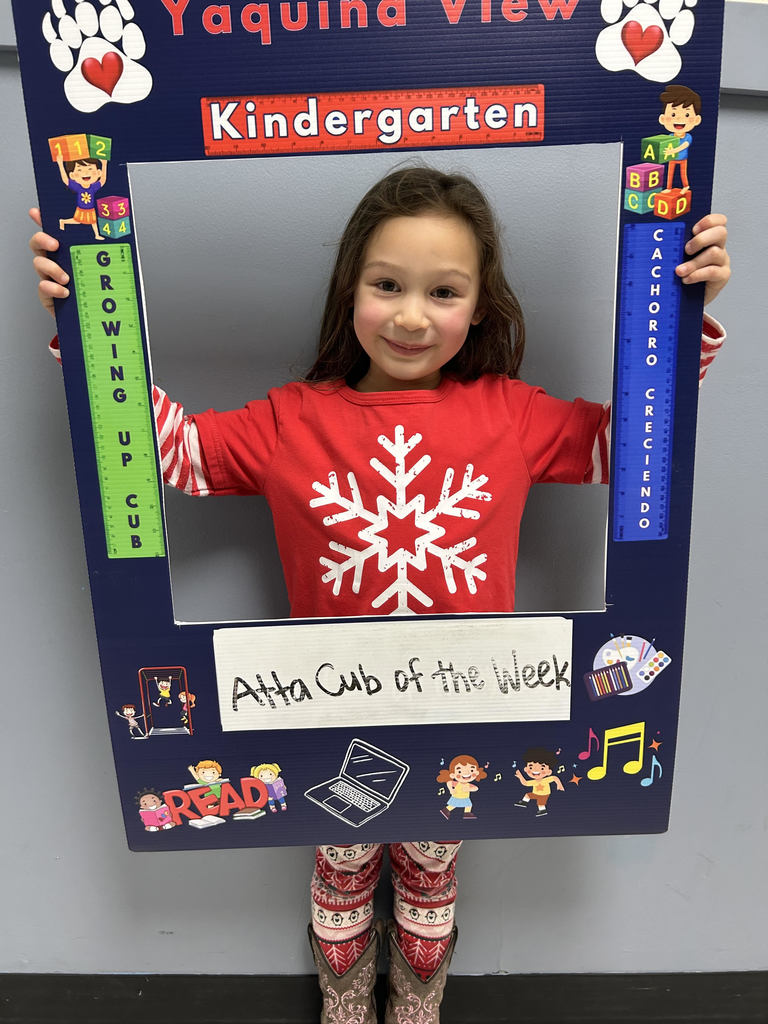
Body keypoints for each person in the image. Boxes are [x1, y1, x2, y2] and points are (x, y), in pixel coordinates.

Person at [28, 167, 730, 1022]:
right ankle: (347, 1001)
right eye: (387, 286)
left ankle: (418, 1005)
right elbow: (171, 453)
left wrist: (677, 315)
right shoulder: (290, 421)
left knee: (433, 868)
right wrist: (88, 322)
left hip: (463, 713)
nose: (411, 316)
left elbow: (633, 443)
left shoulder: (510, 414)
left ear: (480, 306)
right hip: (328, 714)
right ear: (350, 290)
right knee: (342, 864)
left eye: (443, 292)